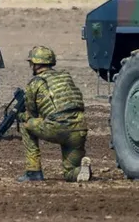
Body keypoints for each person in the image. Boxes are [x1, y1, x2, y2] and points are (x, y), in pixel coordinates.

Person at [16, 45, 93, 182]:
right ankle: (80, 171)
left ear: (36, 64)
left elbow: (31, 115)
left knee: (26, 125)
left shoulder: (35, 83)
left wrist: (19, 116)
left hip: (58, 127)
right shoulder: (65, 77)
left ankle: (33, 172)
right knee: (70, 173)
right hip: (79, 128)